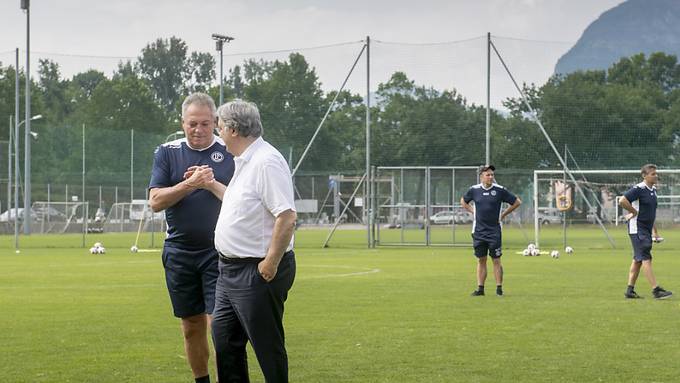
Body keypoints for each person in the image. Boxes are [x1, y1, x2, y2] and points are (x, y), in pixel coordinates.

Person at [148, 92, 234, 383]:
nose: (198, 130)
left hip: (220, 252)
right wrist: (189, 183)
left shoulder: (231, 151)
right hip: (180, 252)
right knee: (191, 325)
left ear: (216, 123)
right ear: (182, 122)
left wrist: (210, 183)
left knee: (219, 325)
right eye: (192, 123)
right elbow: (156, 201)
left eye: (205, 124)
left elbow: (244, 200)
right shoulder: (167, 152)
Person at [211, 100, 297, 383]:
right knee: (225, 342)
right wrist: (209, 184)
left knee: (266, 346)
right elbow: (243, 206)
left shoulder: (266, 162)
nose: (217, 132)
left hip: (256, 270)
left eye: (220, 127)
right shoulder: (245, 161)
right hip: (228, 272)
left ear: (233, 130)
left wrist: (270, 263)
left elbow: (286, 216)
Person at [461, 165, 521, 297]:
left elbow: (517, 202)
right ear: (481, 176)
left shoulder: (500, 190)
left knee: (496, 259)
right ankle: (480, 289)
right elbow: (463, 201)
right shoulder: (474, 190)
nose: (491, 177)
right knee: (481, 260)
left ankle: (499, 289)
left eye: (492, 175)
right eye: (488, 175)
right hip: (478, 231)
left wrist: (503, 215)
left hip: (494, 231)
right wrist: (473, 211)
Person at [619, 164, 672, 299]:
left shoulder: (652, 190)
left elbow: (650, 214)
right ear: (644, 176)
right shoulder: (639, 189)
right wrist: (633, 211)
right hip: (637, 229)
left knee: (638, 259)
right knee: (646, 257)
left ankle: (629, 291)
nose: (656, 176)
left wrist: (655, 231)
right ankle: (656, 290)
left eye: (656, 173)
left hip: (646, 230)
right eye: (653, 174)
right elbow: (622, 200)